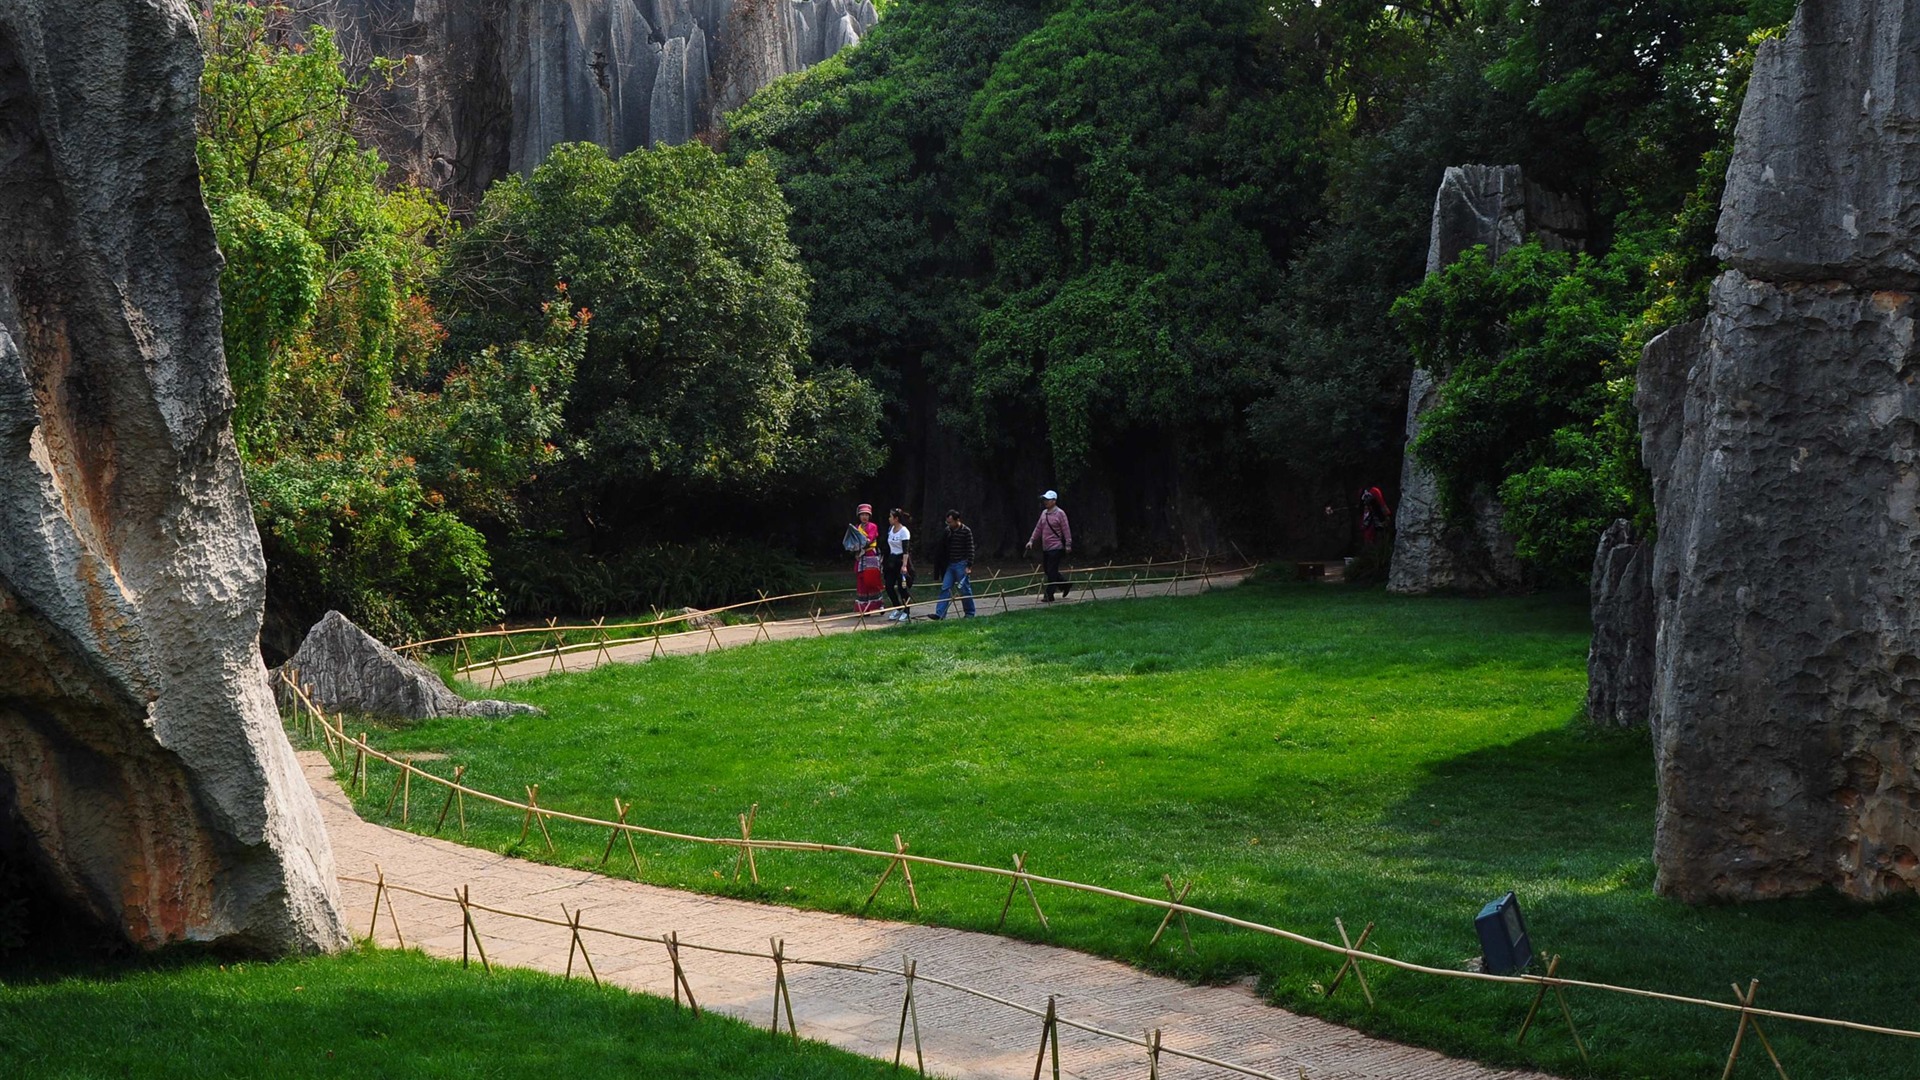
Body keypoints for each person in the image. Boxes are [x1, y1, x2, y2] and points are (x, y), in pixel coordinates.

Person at [1024, 489, 1073, 602]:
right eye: (1045, 499)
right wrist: (1031, 540)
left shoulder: (1060, 513)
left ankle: (1049, 595)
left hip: (1056, 547)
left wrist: (1068, 544)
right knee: (1048, 570)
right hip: (1046, 547)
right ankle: (1065, 585)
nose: (1045, 502)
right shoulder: (1044, 514)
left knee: (1051, 571)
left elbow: (1066, 529)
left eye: (1048, 499)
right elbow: (1038, 528)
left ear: (1054, 501)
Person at [929, 509, 977, 620]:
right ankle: (940, 614)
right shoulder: (947, 531)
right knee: (945, 588)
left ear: (957, 520)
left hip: (961, 563)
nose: (949, 524)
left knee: (964, 589)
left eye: (950, 522)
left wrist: (969, 565)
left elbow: (970, 549)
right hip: (950, 565)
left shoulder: (966, 531)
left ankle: (970, 613)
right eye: (947, 522)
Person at [851, 503, 884, 614]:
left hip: (870, 555)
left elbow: (868, 540)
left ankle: (878, 604)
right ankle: (863, 608)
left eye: (866, 514)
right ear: (859, 516)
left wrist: (859, 545)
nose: (864, 517)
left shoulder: (873, 526)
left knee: (871, 580)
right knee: (861, 581)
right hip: (860, 556)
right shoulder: (856, 528)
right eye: (862, 514)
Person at [884, 508, 914, 621]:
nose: (889, 519)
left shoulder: (904, 531)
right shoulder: (890, 529)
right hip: (892, 560)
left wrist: (904, 565)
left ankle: (907, 611)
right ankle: (897, 607)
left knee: (903, 588)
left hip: (901, 560)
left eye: (891, 517)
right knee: (889, 586)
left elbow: (906, 550)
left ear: (896, 519)